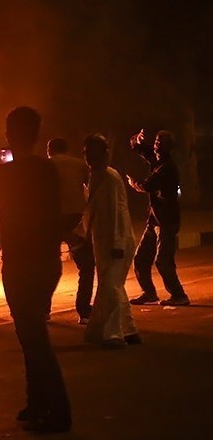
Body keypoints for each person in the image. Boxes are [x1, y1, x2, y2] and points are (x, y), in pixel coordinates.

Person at [0, 106, 71, 434]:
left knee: (32, 337)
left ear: (8, 135)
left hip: (19, 263)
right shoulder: (47, 171)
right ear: (37, 135)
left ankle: (58, 411)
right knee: (31, 334)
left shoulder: (0, 174)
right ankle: (36, 402)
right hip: (48, 261)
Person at [82, 134, 142, 348]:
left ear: (105, 153)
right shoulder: (96, 176)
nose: (88, 157)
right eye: (86, 152)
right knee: (114, 286)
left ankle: (112, 335)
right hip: (104, 242)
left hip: (116, 243)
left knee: (110, 287)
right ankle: (129, 330)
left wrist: (117, 244)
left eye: (93, 152)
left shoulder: (109, 178)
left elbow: (118, 212)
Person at [127, 129, 190, 306]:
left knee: (163, 260)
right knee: (140, 259)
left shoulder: (166, 167)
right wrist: (136, 141)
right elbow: (141, 150)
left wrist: (133, 184)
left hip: (167, 221)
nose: (155, 147)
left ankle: (179, 295)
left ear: (168, 148)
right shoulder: (158, 160)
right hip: (155, 220)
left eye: (160, 144)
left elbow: (148, 185)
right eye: (155, 142)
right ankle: (149, 293)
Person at [46, 138, 96, 324]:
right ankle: (83, 311)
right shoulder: (79, 165)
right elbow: (92, 186)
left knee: (48, 266)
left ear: (49, 150)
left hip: (51, 222)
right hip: (76, 222)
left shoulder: (45, 165)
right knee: (86, 266)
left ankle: (44, 310)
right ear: (66, 150)